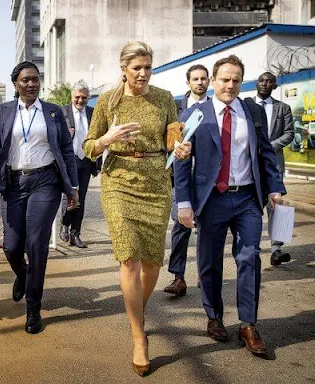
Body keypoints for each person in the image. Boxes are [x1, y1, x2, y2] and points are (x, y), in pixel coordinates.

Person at [82, 41, 190, 376]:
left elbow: (174, 141)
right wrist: (106, 140)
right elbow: (89, 148)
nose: (143, 74)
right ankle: (139, 335)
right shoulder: (107, 102)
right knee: (129, 258)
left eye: (147, 67)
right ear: (124, 68)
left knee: (152, 263)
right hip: (119, 182)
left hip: (156, 183)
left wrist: (181, 149)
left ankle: (136, 313)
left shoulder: (164, 99)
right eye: (136, 68)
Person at [175, 55, 286, 358]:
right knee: (209, 261)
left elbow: (264, 151)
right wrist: (183, 202)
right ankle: (214, 316)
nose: (230, 85)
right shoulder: (195, 114)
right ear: (213, 81)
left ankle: (248, 324)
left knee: (249, 257)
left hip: (248, 198)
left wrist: (275, 187)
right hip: (211, 200)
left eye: (236, 79)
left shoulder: (251, 111)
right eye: (225, 79)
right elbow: (183, 163)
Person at [0, 61, 79, 335]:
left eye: (35, 79)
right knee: (12, 246)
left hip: (45, 182)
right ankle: (23, 275)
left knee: (36, 244)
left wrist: (72, 187)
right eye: (25, 79)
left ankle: (33, 306)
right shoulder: (3, 111)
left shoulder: (52, 112)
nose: (31, 84)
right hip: (13, 183)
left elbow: (65, 149)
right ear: (15, 83)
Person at [165, 64, 211, 297]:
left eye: (204, 78)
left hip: (208, 181)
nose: (200, 82)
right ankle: (178, 277)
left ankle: (205, 275)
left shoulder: (215, 108)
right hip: (182, 180)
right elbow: (171, 147)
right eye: (196, 79)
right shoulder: (176, 110)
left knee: (206, 230)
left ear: (209, 81)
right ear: (188, 82)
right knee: (180, 228)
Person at [247, 72, 295, 266]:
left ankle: (277, 249)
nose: (265, 83)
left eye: (269, 81)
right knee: (252, 203)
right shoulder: (247, 105)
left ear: (275, 86)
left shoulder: (283, 108)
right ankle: (252, 246)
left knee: (276, 202)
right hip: (250, 162)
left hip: (273, 161)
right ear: (256, 83)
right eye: (261, 80)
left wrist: (269, 146)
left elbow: (290, 133)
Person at [59, 80, 99, 248]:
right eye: (77, 97)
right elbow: (53, 136)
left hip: (86, 161)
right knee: (69, 195)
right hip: (69, 161)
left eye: (84, 97)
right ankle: (64, 224)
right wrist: (63, 134)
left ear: (88, 97)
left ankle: (76, 233)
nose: (80, 101)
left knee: (81, 198)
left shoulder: (93, 113)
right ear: (71, 96)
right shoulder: (62, 113)